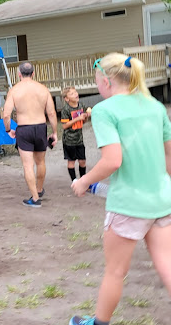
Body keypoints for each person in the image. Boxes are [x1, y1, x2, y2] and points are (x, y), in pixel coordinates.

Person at [69, 53, 171, 325]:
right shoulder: (156, 107)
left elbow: (113, 161)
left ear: (106, 80)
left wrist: (84, 181)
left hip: (128, 205)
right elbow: (169, 157)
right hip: (162, 201)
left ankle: (99, 323)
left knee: (115, 272)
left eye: (95, 81)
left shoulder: (106, 110)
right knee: (168, 266)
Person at [3, 62, 57, 207]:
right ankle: (39, 189)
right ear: (33, 74)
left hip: (24, 128)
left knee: (28, 165)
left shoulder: (14, 90)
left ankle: (35, 198)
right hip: (40, 127)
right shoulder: (43, 89)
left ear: (19, 74)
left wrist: (8, 130)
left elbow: (6, 115)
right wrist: (55, 132)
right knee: (40, 162)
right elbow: (51, 113)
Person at [61, 87, 89, 181]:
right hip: (69, 140)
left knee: (82, 161)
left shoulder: (81, 105)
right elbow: (65, 126)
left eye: (75, 92)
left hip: (79, 139)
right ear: (67, 99)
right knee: (71, 161)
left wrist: (86, 117)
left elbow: (83, 121)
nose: (75, 94)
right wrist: (78, 118)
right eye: (72, 94)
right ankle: (74, 181)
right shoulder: (65, 109)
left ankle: (83, 180)